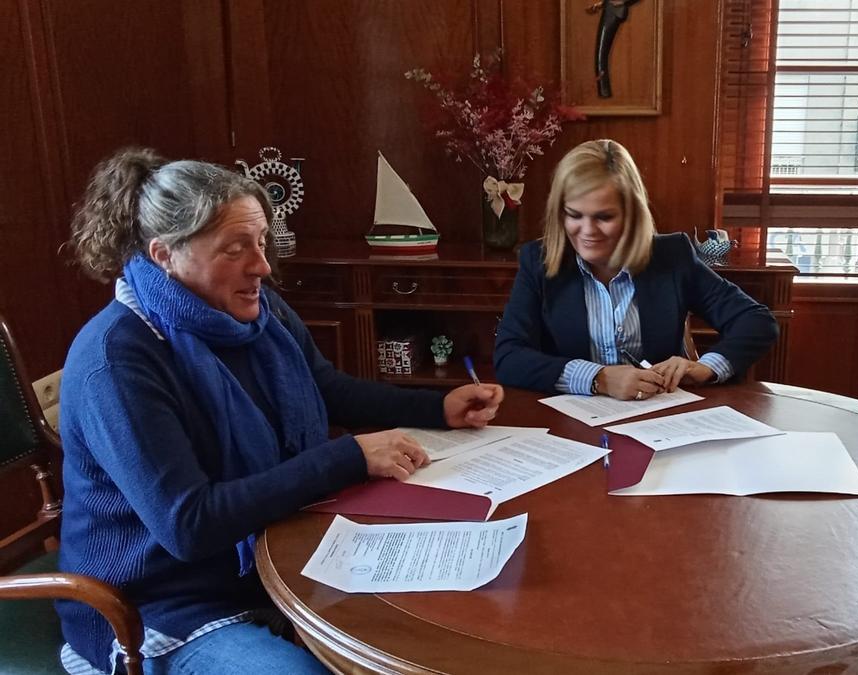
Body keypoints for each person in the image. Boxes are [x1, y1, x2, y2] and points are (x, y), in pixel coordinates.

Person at [56, 149, 504, 675]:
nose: (262, 266)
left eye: (262, 241)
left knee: (441, 627)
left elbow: (329, 389)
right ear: (165, 255)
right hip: (158, 609)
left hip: (277, 561)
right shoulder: (117, 359)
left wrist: (438, 406)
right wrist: (346, 458)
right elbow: (189, 525)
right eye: (235, 248)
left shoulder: (256, 308)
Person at [493, 139, 778, 400]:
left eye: (604, 217)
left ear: (632, 214)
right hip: (573, 427)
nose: (588, 231)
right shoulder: (538, 262)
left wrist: (704, 368)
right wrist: (599, 378)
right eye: (574, 215)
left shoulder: (673, 256)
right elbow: (509, 357)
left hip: (661, 421)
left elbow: (757, 321)